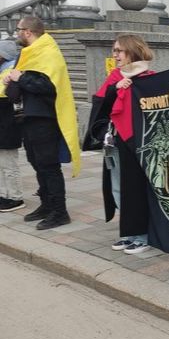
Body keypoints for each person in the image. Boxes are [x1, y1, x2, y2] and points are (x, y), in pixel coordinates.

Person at [2, 16, 81, 230]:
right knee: (37, 164)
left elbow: (47, 86)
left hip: (45, 119)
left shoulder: (49, 53)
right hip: (27, 118)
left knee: (49, 166)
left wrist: (20, 78)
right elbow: (24, 83)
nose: (16, 33)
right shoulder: (27, 54)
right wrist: (12, 80)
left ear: (28, 31)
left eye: (19, 29)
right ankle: (46, 206)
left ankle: (60, 211)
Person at [91, 34, 154, 254]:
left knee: (136, 190)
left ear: (132, 51)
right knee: (117, 187)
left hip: (137, 144)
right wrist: (114, 88)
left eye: (119, 50)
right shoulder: (115, 76)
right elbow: (99, 106)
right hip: (115, 141)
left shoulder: (149, 77)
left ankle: (143, 236)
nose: (115, 55)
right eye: (114, 50)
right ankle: (128, 234)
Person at [0, 40, 24, 212]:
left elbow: (4, 93)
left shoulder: (9, 71)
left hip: (8, 126)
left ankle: (15, 197)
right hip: (4, 126)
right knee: (3, 164)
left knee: (9, 164)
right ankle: (4, 195)